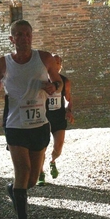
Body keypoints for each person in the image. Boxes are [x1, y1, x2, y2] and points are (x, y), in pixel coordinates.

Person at [0, 19, 63, 219]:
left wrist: (53, 87)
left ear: (31, 36)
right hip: (15, 125)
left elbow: (57, 80)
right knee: (23, 170)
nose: (23, 38)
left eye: (27, 34)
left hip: (39, 125)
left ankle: (14, 191)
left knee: (30, 180)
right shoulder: (4, 62)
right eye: (18, 34)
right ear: (12, 39)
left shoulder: (45, 58)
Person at [37, 54, 74, 186]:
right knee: (42, 148)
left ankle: (52, 161)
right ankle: (40, 173)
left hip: (58, 117)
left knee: (58, 146)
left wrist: (69, 111)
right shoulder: (41, 80)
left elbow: (69, 99)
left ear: (60, 66)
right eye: (53, 62)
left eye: (57, 62)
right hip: (44, 117)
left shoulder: (65, 81)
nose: (55, 64)